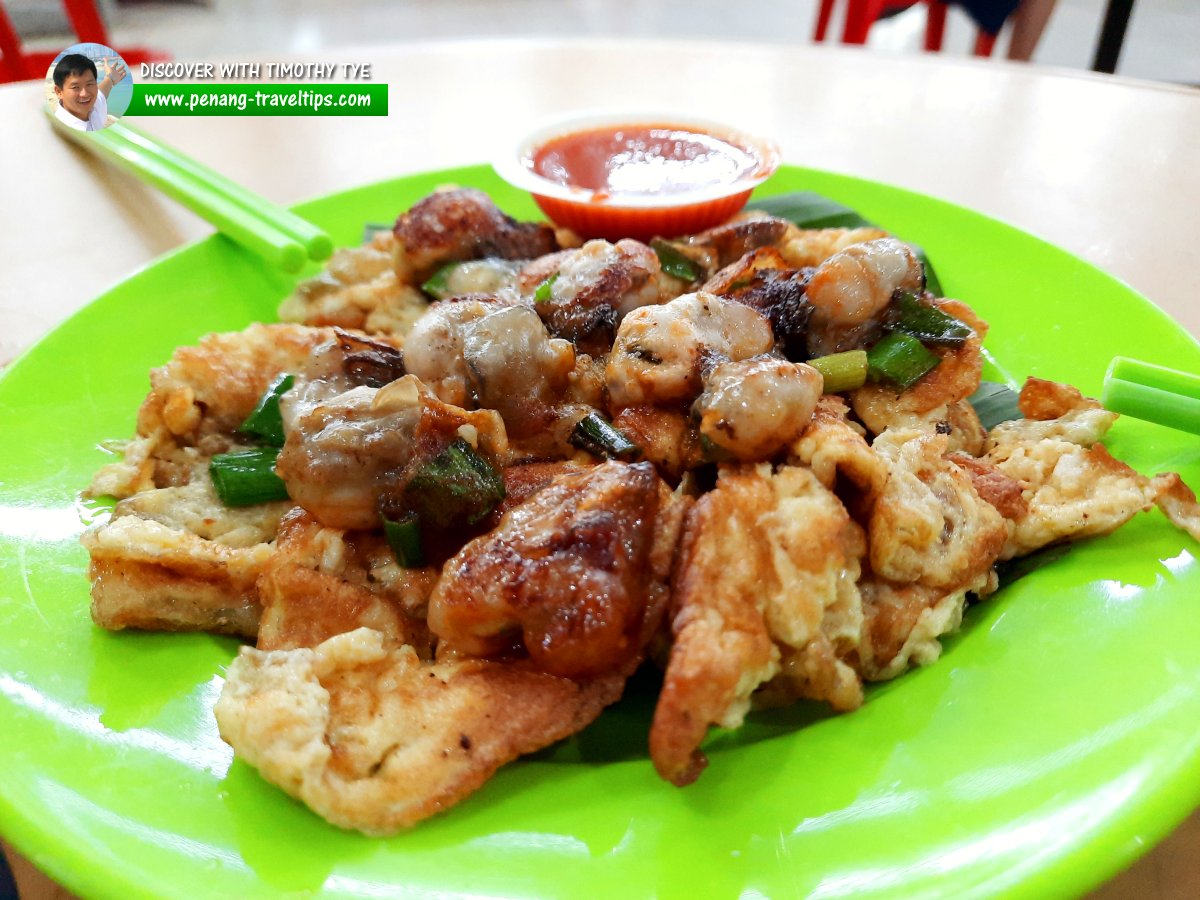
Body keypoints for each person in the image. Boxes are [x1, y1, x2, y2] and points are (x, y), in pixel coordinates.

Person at [51, 53, 127, 132]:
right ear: (59, 92)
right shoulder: (62, 130)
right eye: (75, 87)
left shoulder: (94, 106)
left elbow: (102, 92)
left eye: (89, 84)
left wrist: (110, 78)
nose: (85, 94)